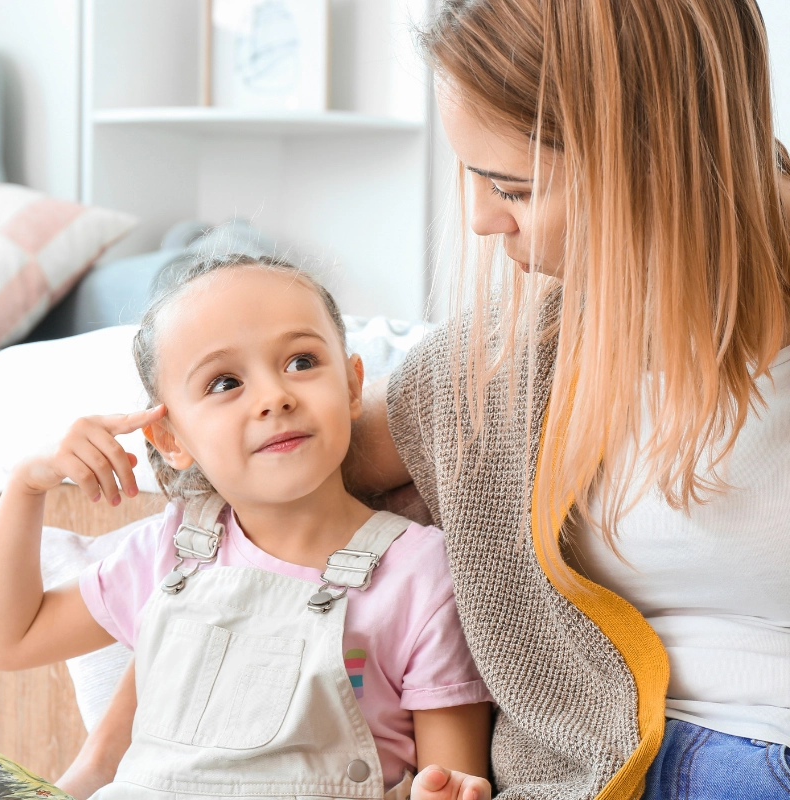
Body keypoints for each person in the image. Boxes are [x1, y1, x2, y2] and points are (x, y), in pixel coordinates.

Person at [45, 0, 790, 797]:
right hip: (598, 770)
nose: (477, 220)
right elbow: (252, 530)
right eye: (470, 175)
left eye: (515, 187)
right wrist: (105, 759)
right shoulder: (494, 372)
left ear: (657, 159)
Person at [0, 255, 494, 799]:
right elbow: (9, 640)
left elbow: (455, 774)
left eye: (302, 361)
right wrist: (26, 487)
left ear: (353, 387)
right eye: (225, 382)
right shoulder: (168, 555)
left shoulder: (421, 573)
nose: (274, 396)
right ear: (171, 440)